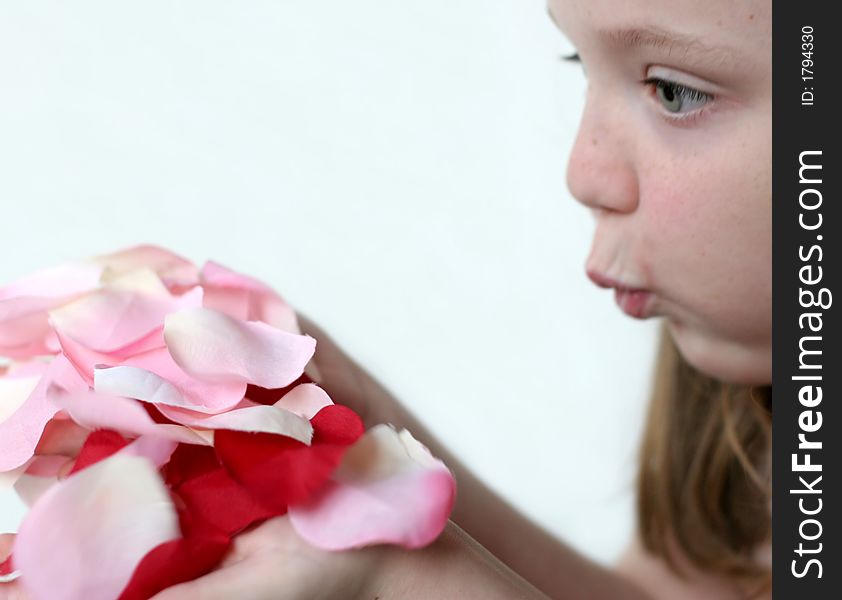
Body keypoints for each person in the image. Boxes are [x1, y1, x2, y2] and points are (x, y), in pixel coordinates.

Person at [1, 0, 773, 598]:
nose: (583, 171)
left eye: (674, 91)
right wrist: (366, 419)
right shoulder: (754, 401)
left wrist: (406, 579)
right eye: (581, 60)